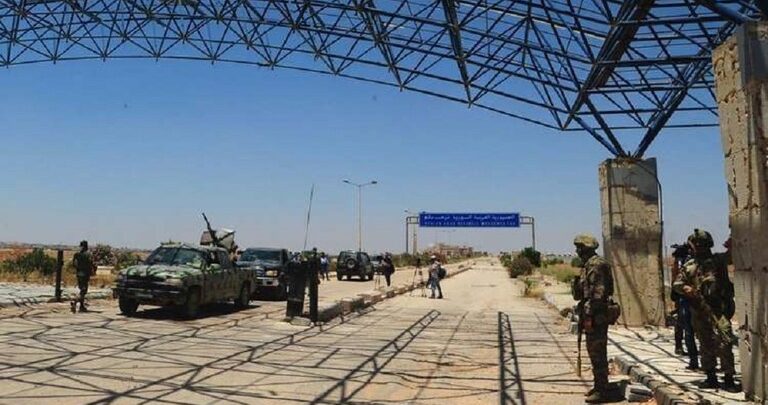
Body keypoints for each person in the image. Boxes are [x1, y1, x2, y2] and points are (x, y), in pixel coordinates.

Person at [673, 229, 737, 390]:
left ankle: (728, 377)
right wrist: (687, 289)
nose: (700, 248)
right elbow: (677, 284)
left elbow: (733, 255)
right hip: (700, 309)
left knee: (725, 341)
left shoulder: (718, 260)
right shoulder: (690, 266)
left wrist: (732, 240)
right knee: (706, 343)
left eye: (702, 245)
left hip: (718, 309)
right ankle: (711, 377)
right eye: (698, 245)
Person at [571, 234, 614, 403]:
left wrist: (589, 316)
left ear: (586, 249)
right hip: (593, 314)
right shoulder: (589, 265)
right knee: (594, 352)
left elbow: (597, 294)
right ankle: (599, 386)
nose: (577, 251)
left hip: (597, 316)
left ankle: (602, 390)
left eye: (580, 247)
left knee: (597, 353)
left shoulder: (596, 265)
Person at [671, 243, 699, 369]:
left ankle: (694, 359)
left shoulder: (690, 263)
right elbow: (676, 279)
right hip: (684, 298)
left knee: (687, 328)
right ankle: (687, 353)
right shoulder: (684, 263)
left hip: (687, 299)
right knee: (685, 326)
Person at [72, 240, 96, 313]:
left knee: (81, 289)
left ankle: (82, 307)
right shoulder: (88, 254)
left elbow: (73, 264)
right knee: (84, 291)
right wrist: (93, 270)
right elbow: (92, 263)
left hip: (79, 274)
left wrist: (78, 268)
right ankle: (75, 301)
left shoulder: (77, 254)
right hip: (85, 274)